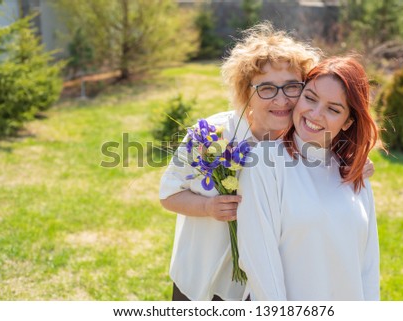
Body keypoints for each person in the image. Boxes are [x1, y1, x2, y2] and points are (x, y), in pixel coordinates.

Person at [159, 22, 320, 301]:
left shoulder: (306, 142)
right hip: (203, 281)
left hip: (266, 285)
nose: (281, 99)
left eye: (292, 87)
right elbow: (168, 195)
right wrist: (208, 206)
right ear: (246, 91)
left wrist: (356, 166)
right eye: (267, 88)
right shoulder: (210, 135)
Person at [237, 56, 381, 301]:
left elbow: (368, 265)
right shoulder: (265, 162)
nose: (315, 114)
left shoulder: (354, 171)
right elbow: (260, 264)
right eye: (310, 98)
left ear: (348, 121)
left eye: (333, 109)